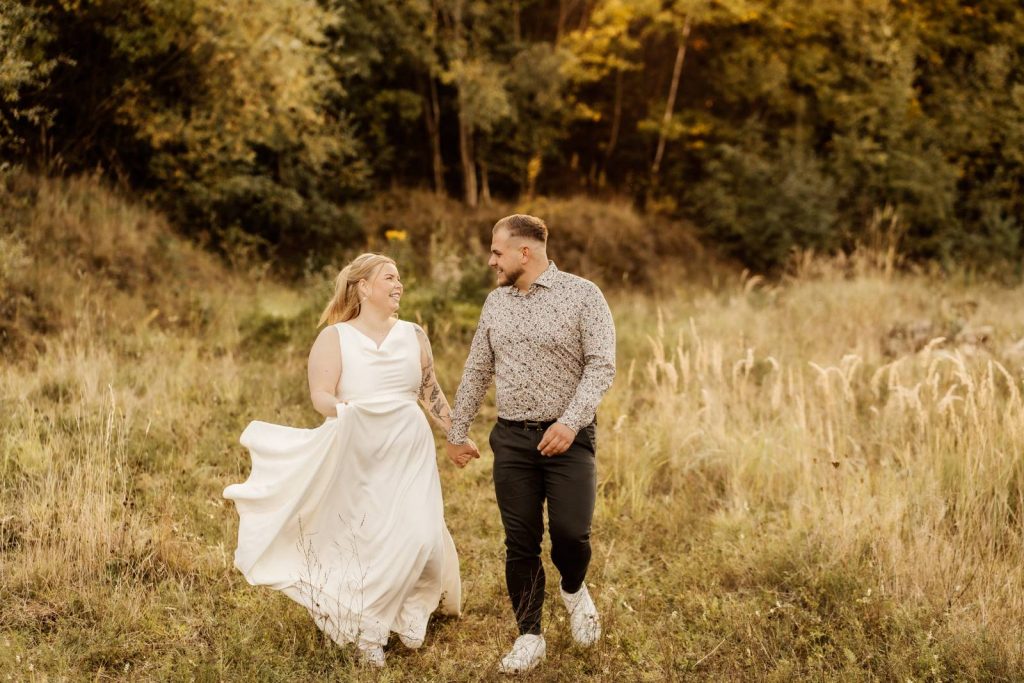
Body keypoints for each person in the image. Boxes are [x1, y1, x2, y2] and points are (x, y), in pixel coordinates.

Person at [224, 253, 469, 668]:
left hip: (409, 444)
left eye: (400, 278)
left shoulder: (414, 334)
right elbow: (320, 394)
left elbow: (431, 391)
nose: (399, 285)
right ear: (363, 287)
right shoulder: (334, 338)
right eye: (390, 277)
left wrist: (456, 434)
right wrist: (345, 410)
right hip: (359, 443)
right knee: (368, 536)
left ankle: (408, 609)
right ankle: (369, 631)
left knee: (421, 534)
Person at [445, 215, 616, 674]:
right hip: (512, 442)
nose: (490, 260)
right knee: (520, 541)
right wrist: (456, 433)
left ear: (526, 252)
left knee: (570, 534)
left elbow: (601, 366)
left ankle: (574, 590)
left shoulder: (584, 295)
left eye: (497, 252)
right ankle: (529, 635)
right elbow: (478, 368)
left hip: (570, 440)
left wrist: (569, 423)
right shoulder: (495, 303)